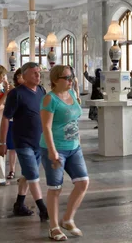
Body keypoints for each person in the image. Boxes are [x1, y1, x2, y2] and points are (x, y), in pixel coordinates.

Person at [40, 65, 89, 241]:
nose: (71, 80)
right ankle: (53, 227)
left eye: (71, 77)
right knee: (55, 188)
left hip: (74, 147)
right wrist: (52, 151)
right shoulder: (49, 99)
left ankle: (68, 218)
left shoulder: (72, 95)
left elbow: (75, 120)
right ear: (55, 80)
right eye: (67, 78)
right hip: (55, 147)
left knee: (83, 182)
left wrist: (79, 140)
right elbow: (46, 126)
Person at [0, 63, 49, 219]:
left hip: (38, 141)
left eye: (39, 73)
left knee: (27, 173)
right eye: (34, 73)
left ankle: (19, 204)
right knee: (33, 174)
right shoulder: (16, 94)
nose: (38, 76)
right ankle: (43, 208)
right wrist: (2, 142)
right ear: (24, 76)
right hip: (22, 141)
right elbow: (6, 118)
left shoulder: (41, 91)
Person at [5, 69, 24, 180]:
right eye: (20, 76)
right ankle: (12, 170)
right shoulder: (13, 90)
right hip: (13, 121)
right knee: (12, 148)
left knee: (23, 149)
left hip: (24, 123)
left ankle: (24, 172)